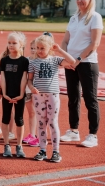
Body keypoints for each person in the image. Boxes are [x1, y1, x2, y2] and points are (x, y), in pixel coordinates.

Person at [60, 0, 103, 148]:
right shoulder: (73, 18)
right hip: (71, 63)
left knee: (90, 99)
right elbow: (65, 40)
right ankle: (73, 131)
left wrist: (77, 59)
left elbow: (95, 43)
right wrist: (67, 58)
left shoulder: (95, 17)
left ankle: (92, 135)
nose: (79, 1)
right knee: (73, 98)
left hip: (87, 63)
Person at [28, 34, 75, 163]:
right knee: (41, 123)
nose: (39, 50)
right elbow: (30, 80)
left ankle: (56, 151)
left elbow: (72, 61)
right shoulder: (33, 62)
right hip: (39, 97)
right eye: (37, 47)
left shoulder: (55, 60)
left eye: (42, 48)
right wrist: (31, 88)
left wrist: (59, 50)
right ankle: (42, 150)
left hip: (53, 95)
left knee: (52, 123)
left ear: (50, 48)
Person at [0, 31, 29, 158]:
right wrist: (4, 93)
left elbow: (24, 78)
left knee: (19, 119)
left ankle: (19, 145)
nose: (11, 45)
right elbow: (3, 77)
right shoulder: (4, 60)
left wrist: (21, 94)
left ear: (21, 44)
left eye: (14, 43)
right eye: (9, 43)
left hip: (19, 95)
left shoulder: (24, 61)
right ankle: (6, 145)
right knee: (5, 118)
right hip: (7, 94)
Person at [22, 39, 38, 146]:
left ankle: (39, 135)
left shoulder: (42, 60)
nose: (33, 50)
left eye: (35, 48)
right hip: (27, 90)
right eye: (31, 48)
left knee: (40, 113)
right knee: (31, 112)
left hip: (38, 90)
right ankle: (32, 134)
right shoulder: (26, 60)